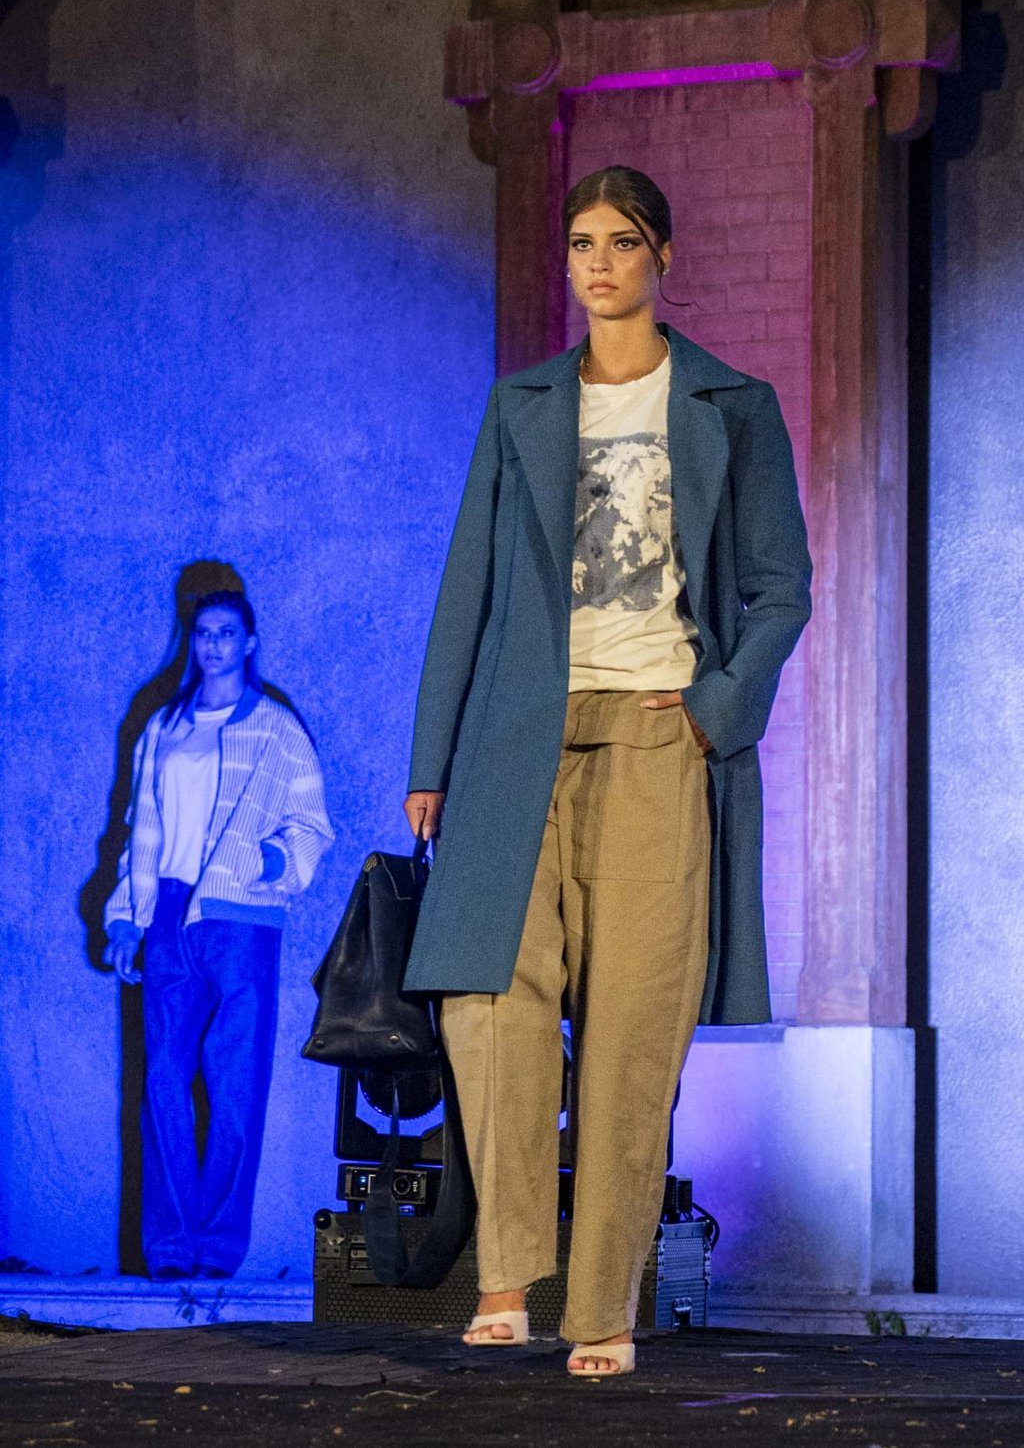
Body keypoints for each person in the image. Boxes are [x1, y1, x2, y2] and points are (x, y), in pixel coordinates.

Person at [402, 166, 812, 1376]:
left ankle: (603, 1309)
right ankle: (504, 1278)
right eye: (581, 242)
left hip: (653, 735)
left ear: (662, 256)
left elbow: (780, 587)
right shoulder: (523, 403)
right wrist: (430, 755)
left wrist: (713, 712)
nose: (598, 263)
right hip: (514, 737)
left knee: (632, 1028)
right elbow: (466, 587)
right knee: (490, 1001)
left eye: (622, 241)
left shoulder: (731, 403)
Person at [104, 589, 333, 1279]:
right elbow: (141, 829)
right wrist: (127, 917)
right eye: (203, 632)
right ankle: (172, 1249)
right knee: (164, 1084)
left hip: (241, 919)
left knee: (235, 1087)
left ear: (249, 642)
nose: (213, 644)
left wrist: (266, 862)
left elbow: (312, 825)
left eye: (227, 633)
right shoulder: (164, 726)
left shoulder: (276, 728)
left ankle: (219, 1249)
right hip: (169, 915)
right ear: (192, 639)